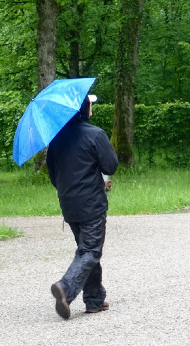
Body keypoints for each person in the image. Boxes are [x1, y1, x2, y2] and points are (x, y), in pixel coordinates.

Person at [46, 94, 118, 319]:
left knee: (86, 250)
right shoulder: (95, 134)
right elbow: (111, 165)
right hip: (91, 203)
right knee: (90, 250)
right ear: (84, 108)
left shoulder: (56, 139)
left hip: (68, 203)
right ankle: (65, 289)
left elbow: (52, 174)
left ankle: (95, 299)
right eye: (91, 105)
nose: (92, 109)